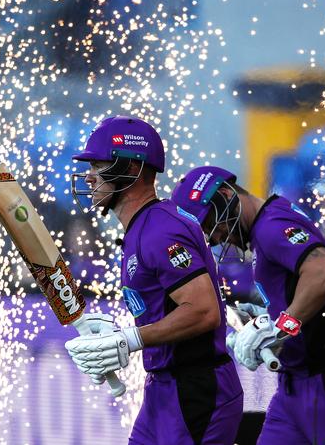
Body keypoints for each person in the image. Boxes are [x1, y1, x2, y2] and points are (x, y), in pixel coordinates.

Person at [171, 165, 325, 445]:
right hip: (295, 385)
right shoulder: (276, 215)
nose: (214, 237)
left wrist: (281, 327)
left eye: (210, 223)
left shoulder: (270, 227)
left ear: (225, 195)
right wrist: (271, 314)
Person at [64, 116, 243, 444]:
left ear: (131, 170)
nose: (89, 177)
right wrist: (118, 334)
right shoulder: (145, 227)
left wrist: (129, 340)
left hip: (195, 391)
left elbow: (204, 312)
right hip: (165, 389)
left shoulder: (160, 229)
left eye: (98, 165)